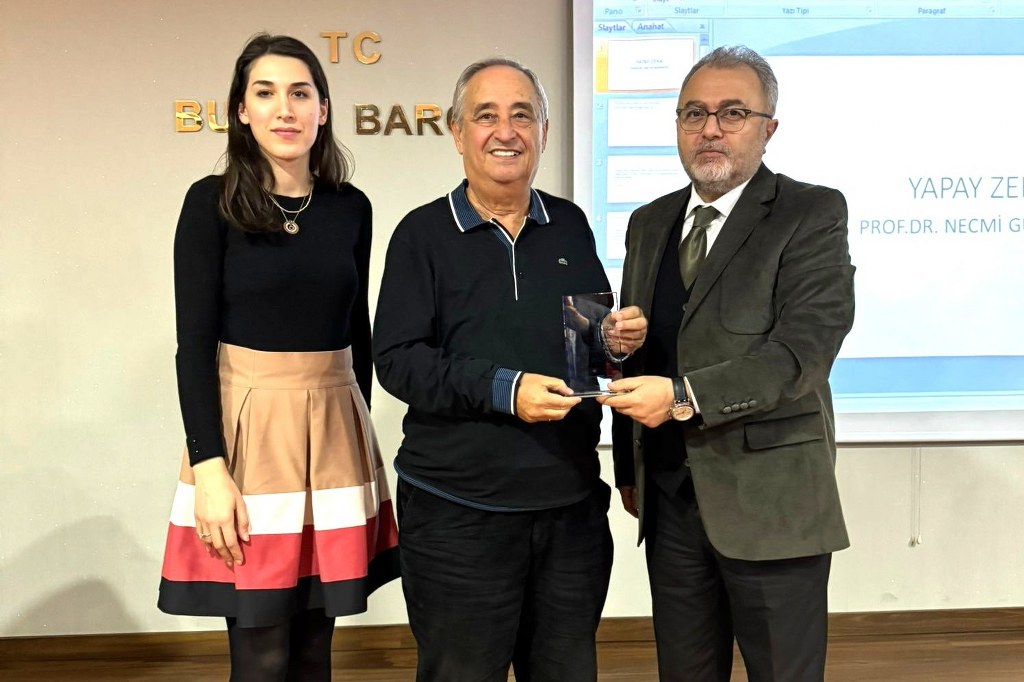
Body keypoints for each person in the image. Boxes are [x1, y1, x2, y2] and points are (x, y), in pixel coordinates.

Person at [372, 57, 647, 682]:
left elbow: (584, 347)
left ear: (544, 131)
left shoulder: (569, 224)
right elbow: (398, 361)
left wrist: (613, 343)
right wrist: (506, 390)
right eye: (486, 115)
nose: (506, 131)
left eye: (522, 115)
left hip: (569, 510)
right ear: (456, 131)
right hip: (457, 515)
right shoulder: (421, 235)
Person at [600, 46, 855, 681]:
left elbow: (801, 353)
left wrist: (682, 397)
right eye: (694, 113)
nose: (710, 129)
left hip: (772, 503)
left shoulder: (811, 212)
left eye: (732, 113)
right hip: (668, 500)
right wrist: (628, 458)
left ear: (769, 128)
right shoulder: (649, 222)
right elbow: (645, 351)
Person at [157, 33, 399, 681]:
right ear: (241, 110)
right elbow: (193, 348)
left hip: (336, 437)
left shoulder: (351, 208)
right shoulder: (209, 203)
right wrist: (209, 467)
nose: (284, 109)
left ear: (323, 109)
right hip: (249, 439)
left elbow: (357, 333)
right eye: (265, 93)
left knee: (316, 650)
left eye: (300, 93)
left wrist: (357, 443)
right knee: (261, 654)